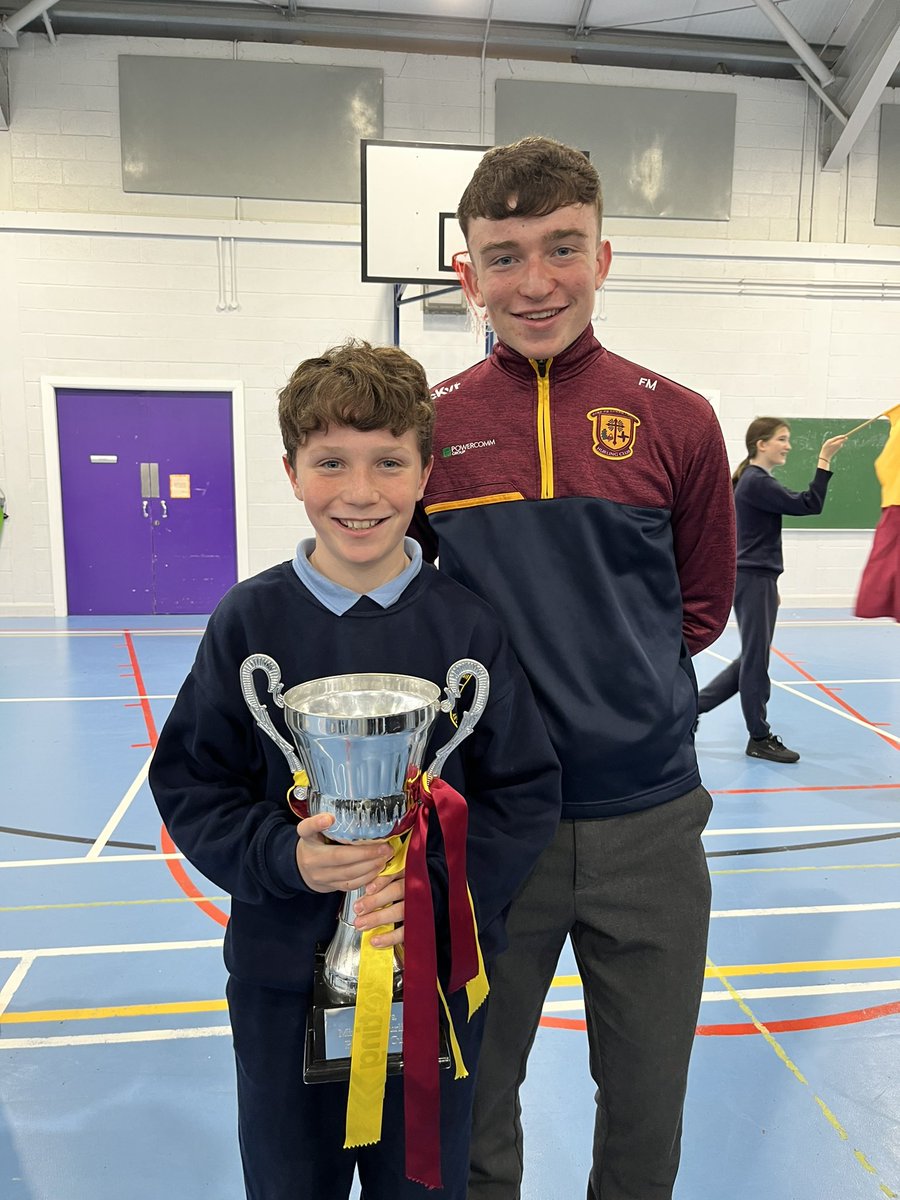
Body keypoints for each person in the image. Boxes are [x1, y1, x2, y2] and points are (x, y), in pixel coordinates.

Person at [149, 339, 561, 1200]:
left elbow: (522, 792)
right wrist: (282, 855)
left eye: (388, 462)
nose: (361, 492)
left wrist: (438, 889)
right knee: (288, 1180)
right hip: (279, 981)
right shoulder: (248, 620)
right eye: (330, 461)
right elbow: (192, 781)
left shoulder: (470, 628)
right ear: (292, 472)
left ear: (424, 473)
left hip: (433, 982)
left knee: (424, 1180)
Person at [413, 137, 736, 1200]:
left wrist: (615, 691)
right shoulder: (433, 427)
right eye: (505, 256)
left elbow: (699, 607)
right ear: (468, 274)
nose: (536, 280)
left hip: (650, 825)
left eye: (563, 248)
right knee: (474, 1098)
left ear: (605, 255)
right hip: (492, 829)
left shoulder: (677, 418)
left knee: (646, 1108)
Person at [698, 417, 847, 762]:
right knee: (755, 660)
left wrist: (768, 584)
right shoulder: (755, 482)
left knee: (751, 657)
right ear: (761, 444)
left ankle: (689, 710)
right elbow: (810, 503)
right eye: (782, 439)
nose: (788, 445)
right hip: (753, 579)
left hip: (758, 579)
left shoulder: (753, 482)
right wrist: (824, 459)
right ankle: (759, 736)